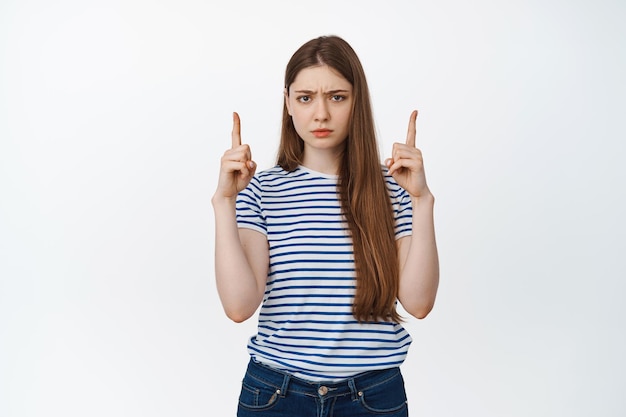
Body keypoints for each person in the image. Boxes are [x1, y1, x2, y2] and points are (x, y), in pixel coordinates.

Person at [212, 35, 439, 417]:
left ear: (357, 101)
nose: (320, 114)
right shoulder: (260, 189)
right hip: (276, 396)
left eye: (337, 97)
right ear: (287, 103)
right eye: (305, 98)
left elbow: (418, 303)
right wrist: (224, 202)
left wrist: (421, 200)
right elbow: (238, 307)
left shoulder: (394, 187)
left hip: (372, 398)